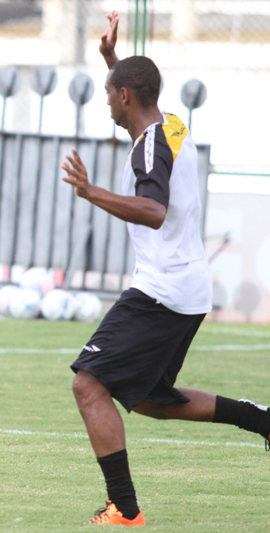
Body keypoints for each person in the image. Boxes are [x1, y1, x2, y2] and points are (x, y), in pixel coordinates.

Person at [61, 11, 270, 526]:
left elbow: (153, 212)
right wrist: (114, 60)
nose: (107, 100)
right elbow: (138, 89)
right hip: (185, 288)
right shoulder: (172, 126)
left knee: (89, 384)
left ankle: (124, 509)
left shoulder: (151, 146)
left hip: (163, 289)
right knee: (151, 399)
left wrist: (91, 192)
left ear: (125, 98)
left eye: (110, 93)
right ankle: (260, 419)